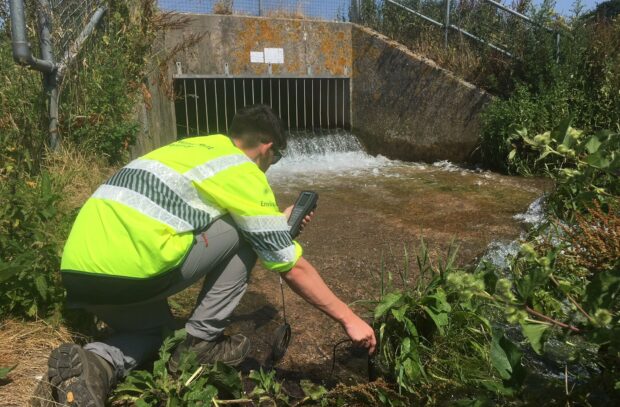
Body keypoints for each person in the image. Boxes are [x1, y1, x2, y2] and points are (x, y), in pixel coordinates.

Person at [48, 105, 376, 406]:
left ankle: (94, 365)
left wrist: (277, 221)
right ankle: (202, 343)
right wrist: (349, 319)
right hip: (136, 273)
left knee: (158, 335)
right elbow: (292, 268)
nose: (269, 166)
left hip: (80, 275)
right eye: (274, 159)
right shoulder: (243, 171)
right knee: (246, 233)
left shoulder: (190, 148)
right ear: (266, 145)